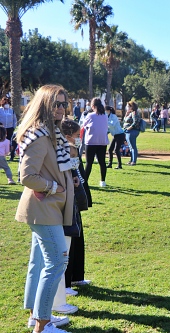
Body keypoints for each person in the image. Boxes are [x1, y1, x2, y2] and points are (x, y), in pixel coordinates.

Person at [16, 84, 77, 333]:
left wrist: (66, 180)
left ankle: (36, 317)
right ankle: (42, 325)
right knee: (57, 262)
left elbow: (52, 166)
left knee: (39, 262)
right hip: (44, 207)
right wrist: (55, 187)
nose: (62, 109)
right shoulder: (40, 135)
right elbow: (27, 176)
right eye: (57, 104)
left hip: (48, 206)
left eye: (64, 104)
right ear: (45, 105)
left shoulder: (52, 134)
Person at [60, 119, 92, 294]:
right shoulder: (64, 151)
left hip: (76, 196)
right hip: (68, 198)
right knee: (70, 240)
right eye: (76, 135)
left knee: (78, 237)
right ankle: (65, 283)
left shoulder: (73, 150)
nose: (79, 138)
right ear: (67, 136)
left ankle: (77, 276)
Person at [82, 98, 109, 187]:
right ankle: (103, 181)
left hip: (91, 142)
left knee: (89, 163)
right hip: (102, 142)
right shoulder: (105, 115)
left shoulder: (90, 115)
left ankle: (85, 181)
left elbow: (83, 126)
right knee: (102, 162)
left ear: (93, 106)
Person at [123, 101, 141, 165]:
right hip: (128, 132)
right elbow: (125, 120)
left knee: (133, 147)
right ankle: (131, 160)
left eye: (128, 106)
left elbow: (135, 122)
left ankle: (134, 161)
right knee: (130, 147)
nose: (127, 107)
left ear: (131, 107)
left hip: (132, 131)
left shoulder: (134, 113)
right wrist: (126, 113)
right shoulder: (130, 113)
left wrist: (129, 128)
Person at [0, 96, 18, 161]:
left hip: (10, 128)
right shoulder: (0, 110)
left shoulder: (11, 110)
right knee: (2, 141)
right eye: (5, 102)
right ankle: (2, 155)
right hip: (2, 128)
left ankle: (11, 155)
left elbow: (14, 119)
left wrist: (14, 126)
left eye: (7, 102)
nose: (6, 104)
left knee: (10, 141)